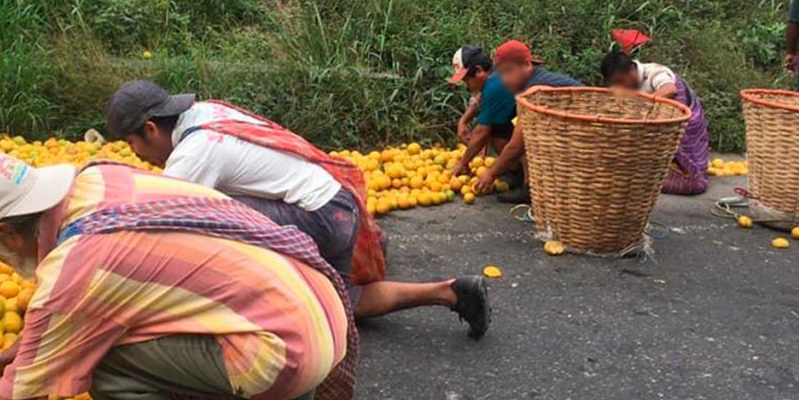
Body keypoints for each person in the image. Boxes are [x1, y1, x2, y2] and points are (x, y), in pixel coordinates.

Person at [0, 152, 510, 400]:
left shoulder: (70, 277)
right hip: (316, 302)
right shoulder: (100, 178)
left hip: (279, 346)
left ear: (7, 233)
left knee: (101, 354)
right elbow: (105, 288)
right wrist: (29, 346)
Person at [103, 80, 491, 339]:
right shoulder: (207, 113)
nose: (137, 155)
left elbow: (163, 230)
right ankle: (452, 293)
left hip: (321, 217)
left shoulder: (192, 154)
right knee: (344, 303)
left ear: (151, 129)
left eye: (132, 143)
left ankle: (264, 310)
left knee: (206, 222)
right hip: (336, 203)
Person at [600, 32, 710, 195]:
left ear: (632, 70)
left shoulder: (655, 72)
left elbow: (670, 89)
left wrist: (644, 103)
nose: (620, 86)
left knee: (693, 181)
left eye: (621, 80)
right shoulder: (627, 85)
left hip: (685, 125)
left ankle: (677, 167)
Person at [474, 40, 582, 203]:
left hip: (584, 140)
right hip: (571, 136)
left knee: (523, 140)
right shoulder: (529, 84)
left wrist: (491, 174)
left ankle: (534, 190)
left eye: (508, 71)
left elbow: (516, 146)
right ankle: (530, 185)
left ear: (526, 64)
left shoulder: (535, 90)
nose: (504, 79)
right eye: (501, 74)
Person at [447, 45, 519, 180]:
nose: (467, 84)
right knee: (498, 127)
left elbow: (482, 132)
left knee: (496, 130)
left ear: (479, 70)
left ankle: (523, 178)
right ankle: (513, 169)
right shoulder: (495, 73)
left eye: (466, 79)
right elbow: (479, 98)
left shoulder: (495, 86)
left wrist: (462, 164)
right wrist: (463, 121)